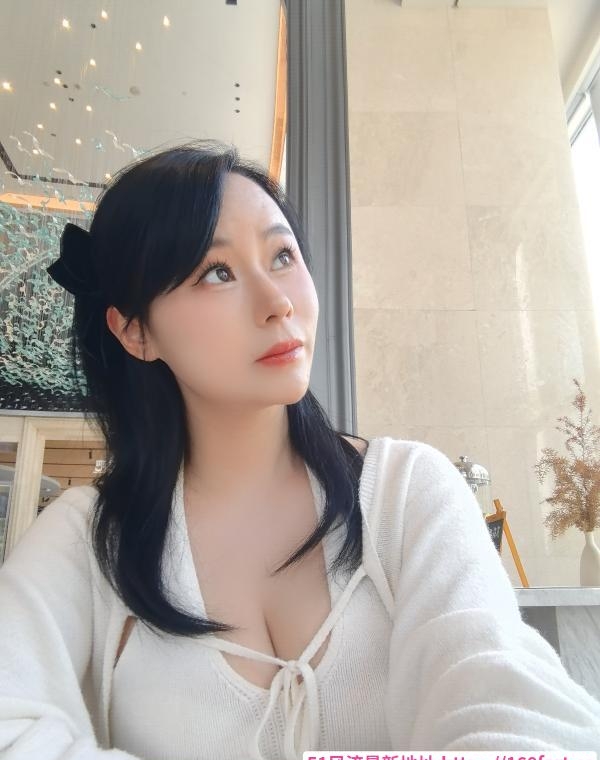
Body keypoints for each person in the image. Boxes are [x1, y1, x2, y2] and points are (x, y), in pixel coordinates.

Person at [1, 141, 599, 760]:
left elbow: (510, 700)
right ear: (135, 331)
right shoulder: (86, 541)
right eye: (217, 272)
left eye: (282, 256)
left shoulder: (406, 492)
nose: (277, 302)